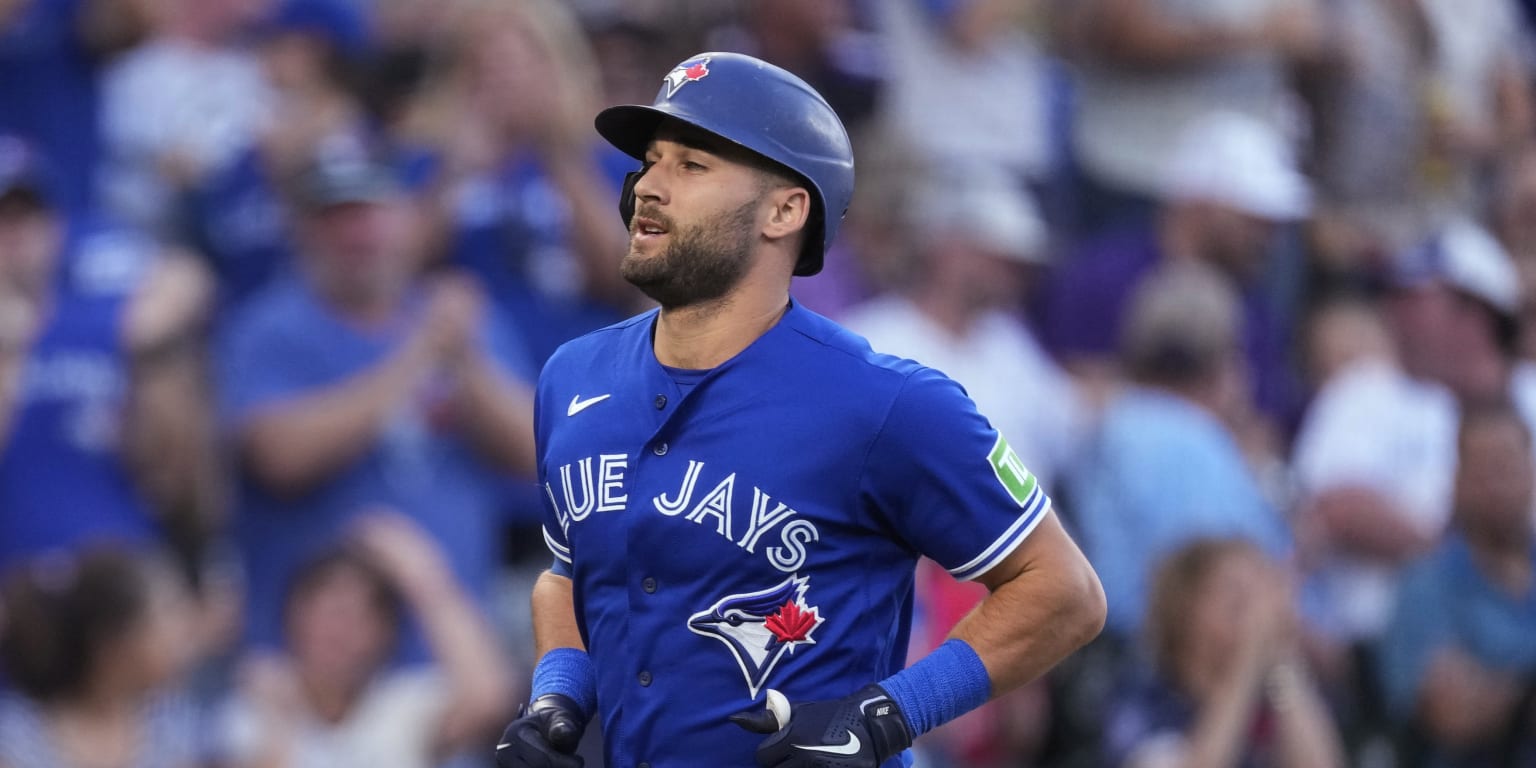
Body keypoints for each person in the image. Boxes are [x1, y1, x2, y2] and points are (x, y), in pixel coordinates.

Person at [493, 51, 1105, 768]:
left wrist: (886, 718)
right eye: (651, 161)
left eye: (692, 166)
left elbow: (1064, 592)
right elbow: (570, 574)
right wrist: (556, 699)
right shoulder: (571, 376)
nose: (647, 186)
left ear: (785, 210)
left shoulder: (888, 403)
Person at [218, 152, 537, 654]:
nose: (356, 234)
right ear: (301, 232)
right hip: (314, 672)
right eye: (334, 218)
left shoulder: (464, 321)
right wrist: (418, 355)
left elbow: (536, 452)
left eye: (370, 213)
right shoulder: (269, 329)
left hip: (452, 654)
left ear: (409, 221)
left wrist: (467, 362)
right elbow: (278, 457)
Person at [0, 135, 219, 574]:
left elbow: (177, 482)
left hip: (120, 589)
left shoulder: (119, 321)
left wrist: (155, 351)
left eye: (28, 214)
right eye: (2, 218)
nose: (15, 232)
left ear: (56, 225)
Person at [220, 511, 512, 768]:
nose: (338, 631)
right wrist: (279, 726)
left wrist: (424, 577)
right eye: (326, 612)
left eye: (358, 617)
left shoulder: (402, 707)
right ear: (292, 616)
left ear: (387, 634)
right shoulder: (253, 700)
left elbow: (487, 700)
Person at [1377, 400, 1536, 767]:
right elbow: (1452, 713)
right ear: (1457, 480)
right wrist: (1523, 699)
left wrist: (1498, 688)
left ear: (1530, 473)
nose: (1497, 486)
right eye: (1484, 471)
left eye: (1508, 467)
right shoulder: (1425, 584)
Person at [1105, 538, 1345, 768]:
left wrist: (1280, 658)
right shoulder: (1144, 702)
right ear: (1186, 611)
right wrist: (1248, 659)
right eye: (1238, 597)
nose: (1259, 612)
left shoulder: (1272, 697)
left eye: (1264, 591)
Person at [0, 547, 206, 768]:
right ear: (112, 644)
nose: (183, 635)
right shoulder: (18, 740)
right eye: (167, 614)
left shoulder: (170, 723)